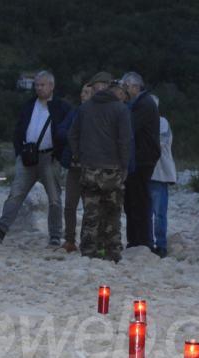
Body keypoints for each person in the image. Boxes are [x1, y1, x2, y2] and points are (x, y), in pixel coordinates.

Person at [0, 70, 71, 246]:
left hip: (50, 156)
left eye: (42, 85)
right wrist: (19, 152)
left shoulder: (62, 107)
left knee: (54, 198)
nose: (39, 88)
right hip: (27, 156)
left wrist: (59, 155)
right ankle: (0, 229)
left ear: (52, 86)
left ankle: (55, 235)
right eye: (37, 85)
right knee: (16, 193)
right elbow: (19, 129)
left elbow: (65, 132)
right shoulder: (29, 105)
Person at [69, 73, 132, 263]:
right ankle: (112, 252)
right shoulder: (120, 109)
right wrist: (124, 165)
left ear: (96, 87)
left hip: (90, 168)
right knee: (113, 213)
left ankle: (89, 250)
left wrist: (80, 157)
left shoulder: (85, 109)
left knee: (91, 212)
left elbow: (72, 135)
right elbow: (125, 140)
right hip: (113, 169)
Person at [121, 71, 160, 250]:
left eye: (126, 87)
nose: (124, 90)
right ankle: (135, 240)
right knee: (131, 201)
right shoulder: (140, 103)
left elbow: (129, 126)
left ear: (136, 87)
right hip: (139, 158)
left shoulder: (144, 104)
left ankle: (142, 241)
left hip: (142, 159)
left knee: (139, 200)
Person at [55, 83, 93, 252]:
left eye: (86, 92)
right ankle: (69, 239)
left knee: (89, 205)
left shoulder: (98, 113)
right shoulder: (75, 112)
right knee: (70, 204)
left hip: (91, 166)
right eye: (82, 92)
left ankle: (87, 239)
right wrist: (74, 134)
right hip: (74, 165)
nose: (83, 95)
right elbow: (61, 130)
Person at [148, 95, 176, 258]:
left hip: (159, 175)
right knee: (147, 212)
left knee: (159, 213)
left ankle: (161, 244)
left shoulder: (162, 123)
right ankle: (148, 243)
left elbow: (159, 143)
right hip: (146, 174)